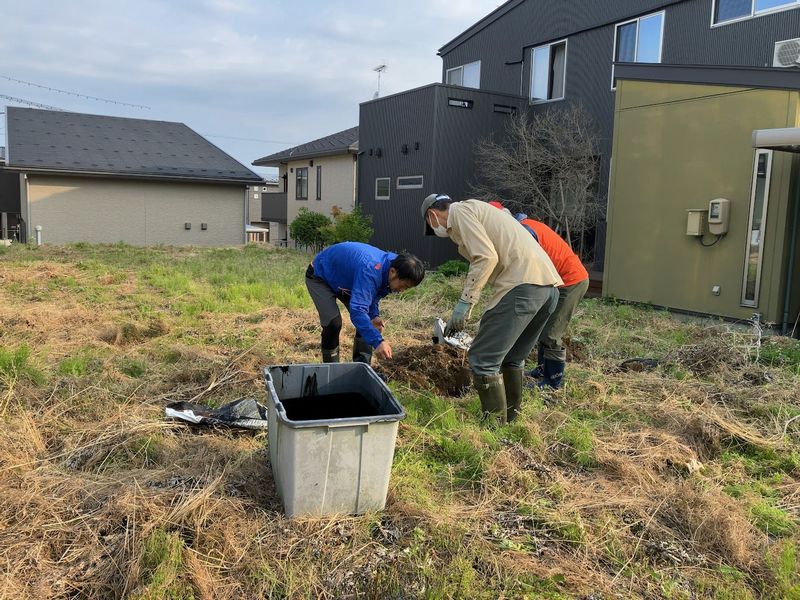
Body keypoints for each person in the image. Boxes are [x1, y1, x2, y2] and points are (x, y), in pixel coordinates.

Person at [421, 193, 562, 424]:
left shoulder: (461, 212)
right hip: (547, 289)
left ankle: (494, 427)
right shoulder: (481, 210)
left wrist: (465, 301)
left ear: (432, 215)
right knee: (512, 358)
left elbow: (485, 257)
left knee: (483, 358)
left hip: (523, 285)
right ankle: (510, 421)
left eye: (430, 225)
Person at [488, 201, 590, 389]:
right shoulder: (524, 227)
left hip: (570, 281)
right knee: (543, 327)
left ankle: (553, 382)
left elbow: (526, 268)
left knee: (551, 333)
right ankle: (543, 369)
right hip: (556, 280)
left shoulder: (526, 232)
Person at [305, 241, 425, 364]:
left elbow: (374, 293)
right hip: (320, 276)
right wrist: (378, 342)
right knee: (333, 324)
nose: (402, 291)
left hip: (348, 281)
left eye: (407, 288)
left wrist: (374, 316)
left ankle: (361, 367)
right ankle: (330, 370)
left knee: (369, 322)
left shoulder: (394, 267)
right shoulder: (372, 269)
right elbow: (358, 311)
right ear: (393, 272)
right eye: (403, 286)